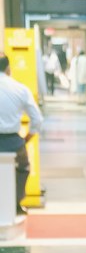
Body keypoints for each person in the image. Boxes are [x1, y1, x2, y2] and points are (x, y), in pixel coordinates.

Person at [0, 55, 42, 218]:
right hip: (14, 141)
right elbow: (37, 119)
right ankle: (16, 203)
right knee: (22, 169)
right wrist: (28, 136)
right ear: (8, 69)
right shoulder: (20, 89)